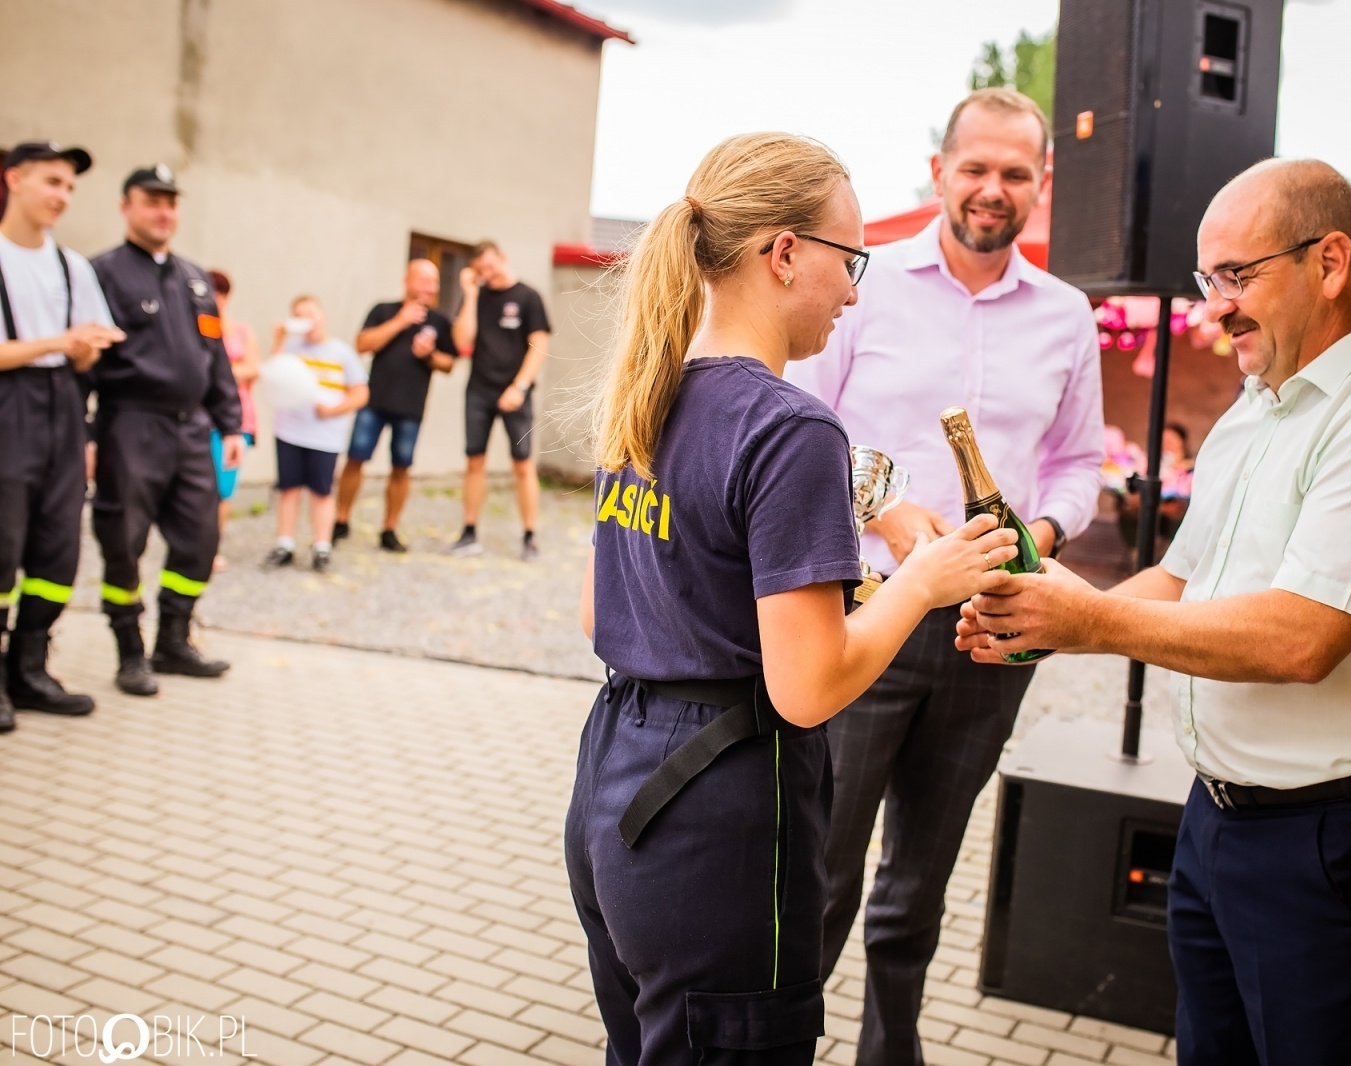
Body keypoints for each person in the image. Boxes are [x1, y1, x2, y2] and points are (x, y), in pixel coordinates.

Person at [958, 159, 1351, 1066]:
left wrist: (1087, 624)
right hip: (1215, 817)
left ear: (1330, 262)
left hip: (1331, 834)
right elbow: (1182, 578)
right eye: (1211, 281)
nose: (1216, 307)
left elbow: (1301, 638)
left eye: (1238, 277)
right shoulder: (1253, 410)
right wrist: (1050, 619)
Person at [566, 132, 1019, 1066]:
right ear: (783, 254)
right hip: (718, 813)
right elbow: (808, 686)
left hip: (616, 780)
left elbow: (598, 614)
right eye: (849, 260)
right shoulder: (794, 427)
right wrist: (922, 586)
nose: (855, 290)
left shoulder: (647, 391)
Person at [785, 87, 1105, 1065]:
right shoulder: (862, 286)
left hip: (995, 626)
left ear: (1039, 187)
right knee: (822, 868)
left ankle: (891, 1049)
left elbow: (1078, 467)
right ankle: (776, 1041)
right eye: (976, 167)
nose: (992, 189)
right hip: (866, 614)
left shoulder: (1066, 315)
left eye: (1015, 173)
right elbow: (803, 430)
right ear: (939, 171)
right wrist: (882, 510)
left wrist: (1033, 532)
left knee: (919, 880)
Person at [90, 164, 243, 697]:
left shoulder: (194, 278)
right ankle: (130, 653)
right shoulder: (102, 274)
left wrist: (231, 427)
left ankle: (173, 642)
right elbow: (86, 362)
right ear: (126, 206)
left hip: (192, 431)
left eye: (171, 203)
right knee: (122, 542)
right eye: (152, 201)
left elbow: (215, 357)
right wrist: (88, 436)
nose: (163, 212)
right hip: (131, 426)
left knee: (200, 540)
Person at [0, 142, 124, 730]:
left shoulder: (73, 267)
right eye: (52, 182)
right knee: (2, 543)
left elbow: (86, 354)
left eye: (69, 188)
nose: (61, 196)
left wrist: (80, 352)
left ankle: (30, 670)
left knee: (56, 545)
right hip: (9, 406)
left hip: (63, 409)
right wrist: (57, 342)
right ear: (14, 180)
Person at [332, 259, 456, 552]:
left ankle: (389, 529)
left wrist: (429, 355)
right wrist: (401, 321)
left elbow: (448, 364)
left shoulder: (439, 322)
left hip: (411, 408)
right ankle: (340, 520)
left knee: (401, 468)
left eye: (435, 282)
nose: (431, 288)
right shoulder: (384, 310)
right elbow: (362, 344)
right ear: (407, 281)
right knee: (355, 459)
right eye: (425, 281)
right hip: (374, 402)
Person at [449, 240, 549, 560]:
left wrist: (519, 387)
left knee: (522, 465)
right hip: (479, 390)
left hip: (515, 392)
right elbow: (462, 340)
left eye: (491, 267)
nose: (487, 274)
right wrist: (471, 293)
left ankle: (529, 535)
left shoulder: (528, 297)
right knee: (474, 461)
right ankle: (469, 532)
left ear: (503, 258)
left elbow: (539, 344)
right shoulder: (477, 297)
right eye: (481, 271)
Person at [263, 296, 368, 573]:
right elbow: (271, 375)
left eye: (310, 313)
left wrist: (334, 410)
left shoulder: (342, 352)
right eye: (299, 314)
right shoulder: (290, 349)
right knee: (288, 488)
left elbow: (360, 393)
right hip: (290, 431)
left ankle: (322, 546)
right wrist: (278, 340)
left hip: (325, 436)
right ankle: (284, 543)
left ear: (322, 315)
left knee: (322, 491)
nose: (307, 319)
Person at [208, 268, 259, 570]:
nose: (218, 297)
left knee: (223, 488)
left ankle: (212, 546)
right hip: (201, 417)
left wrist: (219, 372)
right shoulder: (196, 328)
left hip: (236, 420)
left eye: (222, 291)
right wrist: (231, 369)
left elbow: (254, 368)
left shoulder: (241, 330)